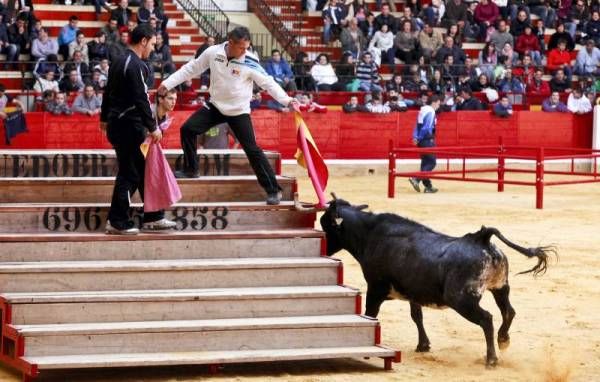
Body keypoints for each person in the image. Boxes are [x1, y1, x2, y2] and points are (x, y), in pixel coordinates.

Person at [157, 27, 300, 205]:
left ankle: (273, 190)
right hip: (216, 105)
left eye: (247, 47)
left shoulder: (250, 60)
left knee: (252, 149)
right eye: (241, 47)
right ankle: (191, 169)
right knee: (188, 129)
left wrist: (287, 101)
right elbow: (191, 68)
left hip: (239, 111)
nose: (244, 51)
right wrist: (167, 83)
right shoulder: (213, 52)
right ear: (230, 43)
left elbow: (268, 83)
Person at [101, 24, 175, 235]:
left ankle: (153, 216)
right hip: (129, 126)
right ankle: (117, 220)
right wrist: (153, 127)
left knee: (142, 170)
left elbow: (108, 92)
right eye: (152, 43)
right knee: (130, 173)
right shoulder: (135, 65)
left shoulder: (119, 60)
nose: (153, 48)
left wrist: (104, 117)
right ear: (143, 41)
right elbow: (141, 99)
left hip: (118, 123)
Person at [409, 95, 441, 194]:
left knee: (425, 162)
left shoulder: (422, 110)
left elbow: (417, 125)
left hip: (422, 140)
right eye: (438, 104)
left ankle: (428, 187)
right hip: (427, 139)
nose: (438, 106)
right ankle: (416, 179)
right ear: (434, 102)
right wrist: (419, 138)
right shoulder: (431, 111)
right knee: (432, 162)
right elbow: (426, 128)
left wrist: (415, 137)